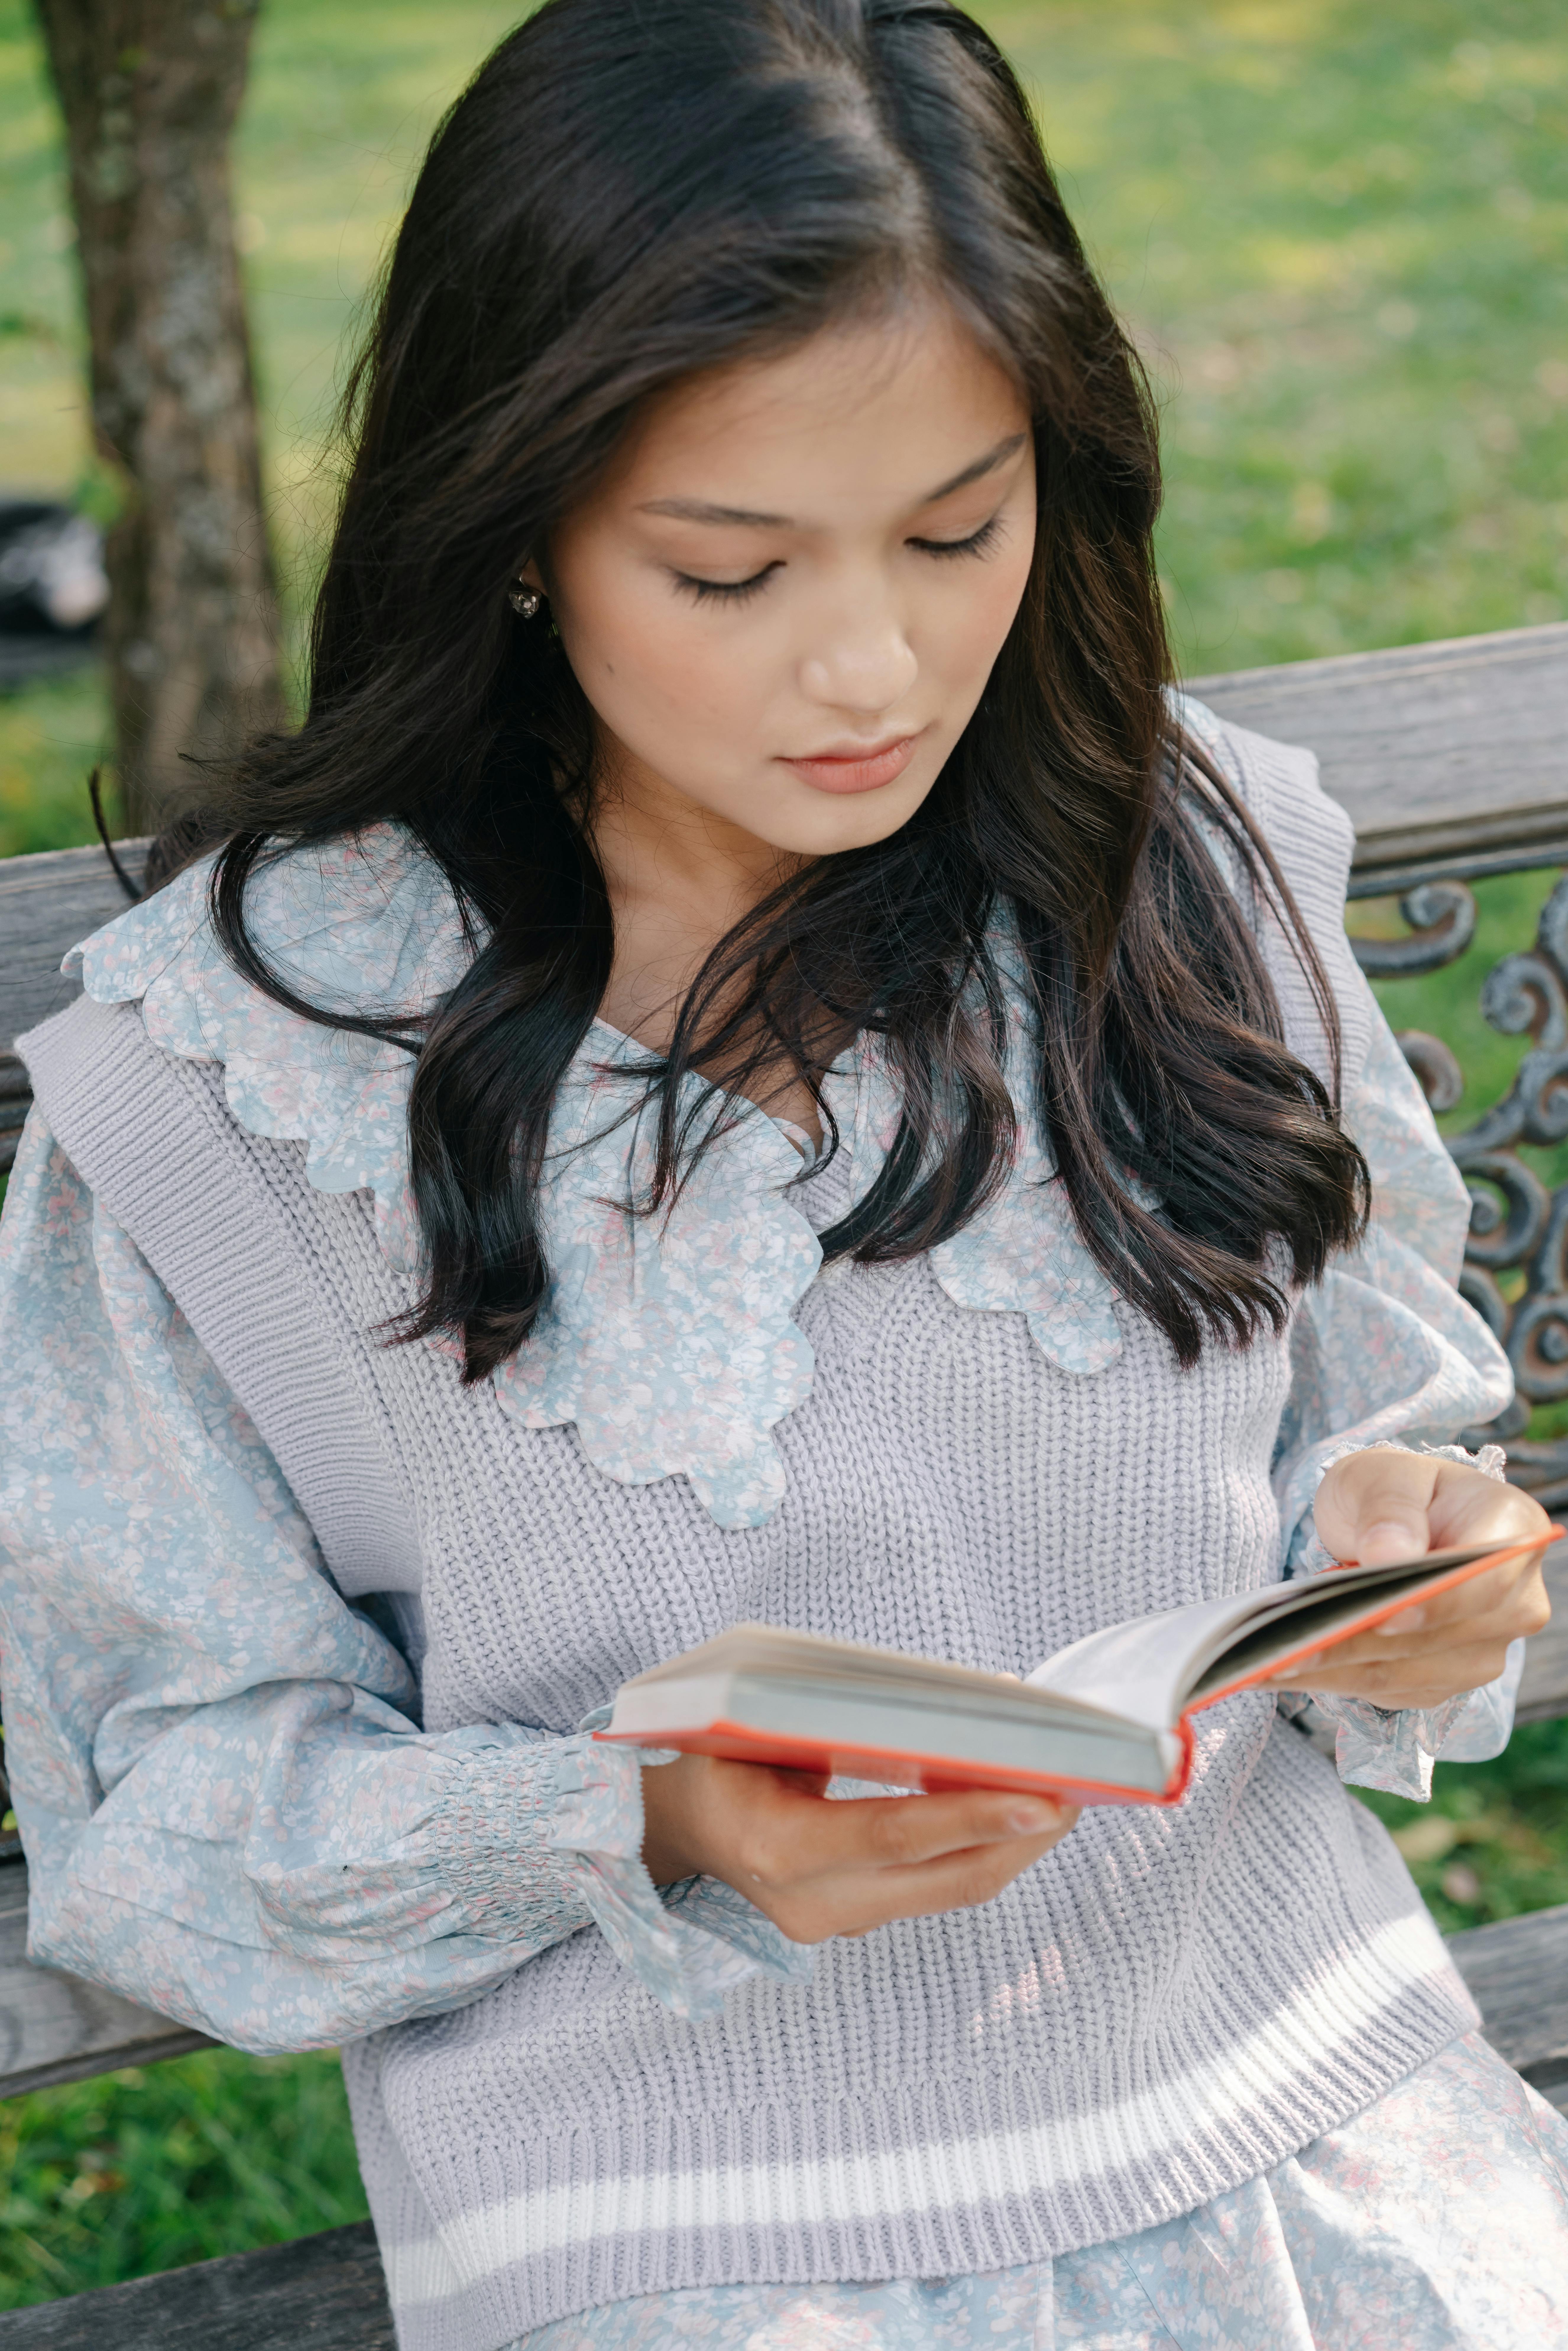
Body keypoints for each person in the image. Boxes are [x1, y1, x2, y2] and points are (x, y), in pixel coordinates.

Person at [3, 2, 1565, 2343]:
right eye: (730, 570)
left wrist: (1419, 1570)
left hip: (1300, 2119)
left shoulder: (1171, 873)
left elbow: (1378, 1461)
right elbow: (173, 1814)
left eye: (961, 531)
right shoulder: (252, 1074)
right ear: (516, 528)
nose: (875, 664)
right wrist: (653, 1818)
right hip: (684, 2244)